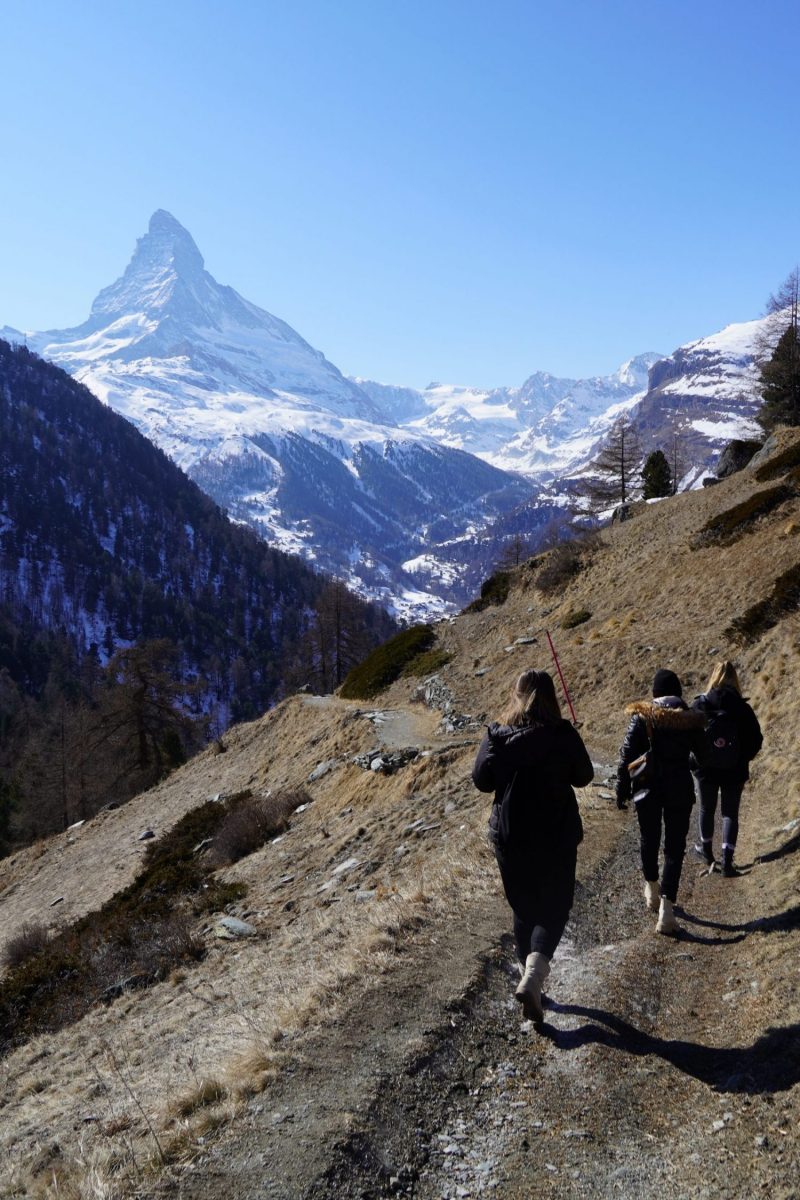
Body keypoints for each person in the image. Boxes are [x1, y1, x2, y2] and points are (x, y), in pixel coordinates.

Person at [472, 668, 593, 1024]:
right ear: (553, 698)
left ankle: (530, 979)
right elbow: (584, 777)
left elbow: (481, 780)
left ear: (516, 696)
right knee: (555, 908)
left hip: (511, 838)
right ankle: (534, 976)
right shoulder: (563, 734)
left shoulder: (496, 735)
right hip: (556, 835)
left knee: (524, 909)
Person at [616, 669, 706, 935]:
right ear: (678, 692)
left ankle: (652, 889)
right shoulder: (690, 719)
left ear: (654, 693)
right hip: (679, 789)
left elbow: (626, 756)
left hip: (647, 789)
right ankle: (667, 911)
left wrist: (621, 790)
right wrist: (685, 761)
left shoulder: (643, 717)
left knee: (649, 838)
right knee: (674, 848)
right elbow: (704, 756)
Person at [690, 660, 762, 876]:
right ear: (735, 679)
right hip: (734, 770)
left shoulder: (700, 704)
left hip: (706, 769)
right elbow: (756, 740)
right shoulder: (742, 708)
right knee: (730, 814)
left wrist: (695, 760)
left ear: (714, 677)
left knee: (706, 809)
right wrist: (742, 759)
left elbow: (689, 737)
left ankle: (706, 852)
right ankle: (727, 863)